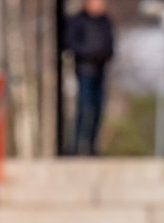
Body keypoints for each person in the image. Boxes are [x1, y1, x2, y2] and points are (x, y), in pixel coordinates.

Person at [65, 0, 115, 156]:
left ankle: (93, 146)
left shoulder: (106, 21)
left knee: (98, 108)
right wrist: (89, 53)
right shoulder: (78, 20)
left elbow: (111, 44)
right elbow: (71, 42)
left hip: (101, 70)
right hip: (84, 69)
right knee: (84, 107)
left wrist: (105, 55)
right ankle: (76, 145)